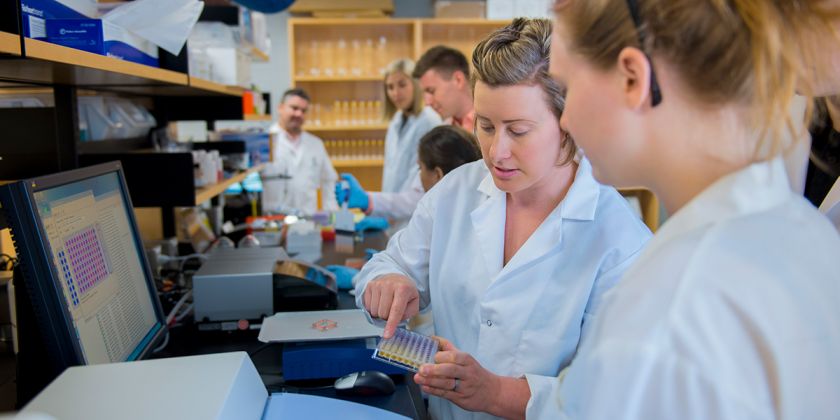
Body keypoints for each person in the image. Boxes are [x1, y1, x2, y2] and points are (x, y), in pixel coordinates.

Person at [531, 1, 840, 418]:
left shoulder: (668, 311)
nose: (564, 120)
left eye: (565, 89)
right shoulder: (803, 229)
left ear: (632, 78)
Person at [354, 18, 651, 420]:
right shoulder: (455, 191)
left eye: (519, 130)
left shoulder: (619, 240)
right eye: (487, 126)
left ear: (569, 124)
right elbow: (389, 265)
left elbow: (612, 395)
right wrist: (387, 283)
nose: (497, 152)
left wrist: (495, 394)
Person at [337, 59, 442, 220]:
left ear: (416, 84)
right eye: (390, 87)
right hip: (394, 217)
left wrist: (371, 201)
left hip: (414, 218)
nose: (395, 93)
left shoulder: (429, 121)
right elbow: (392, 175)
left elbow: (422, 189)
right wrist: (380, 212)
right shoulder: (396, 121)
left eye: (402, 85)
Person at [261, 88, 338, 215]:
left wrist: (332, 215)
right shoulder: (265, 142)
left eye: (304, 111)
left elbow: (329, 180)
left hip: (308, 218)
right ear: (280, 108)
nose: (299, 114)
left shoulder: (315, 144)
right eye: (294, 108)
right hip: (273, 219)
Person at [413, 45, 475, 131]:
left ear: (458, 80)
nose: (427, 103)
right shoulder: (442, 128)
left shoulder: (493, 120)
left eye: (431, 91)